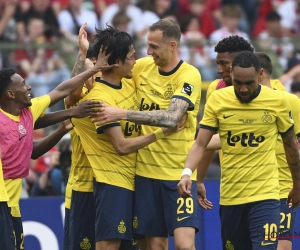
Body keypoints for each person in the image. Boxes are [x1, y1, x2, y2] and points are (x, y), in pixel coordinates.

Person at [92, 18, 202, 250]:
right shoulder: (141, 67)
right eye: (147, 45)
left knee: (184, 245)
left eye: (154, 47)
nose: (148, 52)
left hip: (178, 173)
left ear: (172, 46)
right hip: (145, 174)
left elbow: (172, 118)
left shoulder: (189, 75)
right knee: (154, 246)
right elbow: (108, 78)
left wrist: (120, 113)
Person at [72, 25, 184, 250]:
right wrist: (162, 132)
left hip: (136, 181)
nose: (137, 59)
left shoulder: (129, 83)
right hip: (112, 183)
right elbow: (121, 146)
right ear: (116, 63)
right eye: (132, 55)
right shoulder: (98, 99)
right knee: (109, 246)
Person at [177, 51, 300, 250]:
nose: (243, 89)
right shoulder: (218, 99)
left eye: (249, 83)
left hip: (266, 197)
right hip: (230, 198)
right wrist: (187, 174)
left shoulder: (279, 101)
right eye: (238, 83)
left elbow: (291, 146)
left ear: (260, 75)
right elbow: (201, 143)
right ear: (231, 75)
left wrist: (297, 184)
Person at [0, 52, 114, 250]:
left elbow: (61, 91)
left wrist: (66, 123)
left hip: (13, 204)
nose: (29, 87)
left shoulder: (27, 111)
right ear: (10, 94)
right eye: (23, 85)